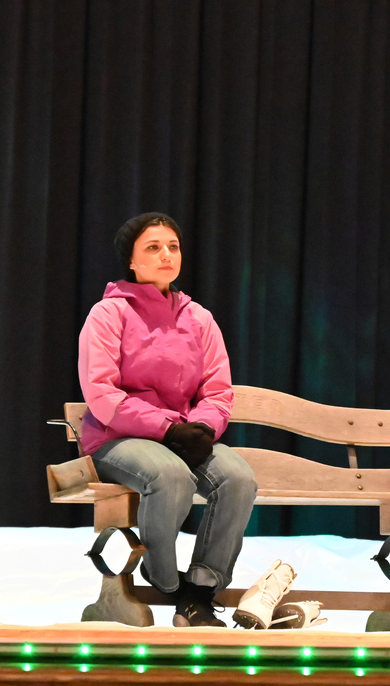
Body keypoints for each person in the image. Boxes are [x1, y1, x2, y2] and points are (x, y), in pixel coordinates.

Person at [77, 212, 257, 627]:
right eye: (153, 248)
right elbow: (102, 393)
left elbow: (218, 390)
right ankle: (162, 577)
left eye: (173, 247)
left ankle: (199, 591)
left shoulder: (199, 318)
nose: (166, 255)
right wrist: (167, 429)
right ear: (132, 262)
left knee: (239, 478)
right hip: (118, 438)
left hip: (181, 436)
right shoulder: (109, 314)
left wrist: (204, 429)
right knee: (170, 476)